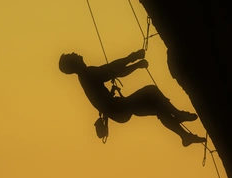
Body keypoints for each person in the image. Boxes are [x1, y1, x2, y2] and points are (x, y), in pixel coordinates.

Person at [59, 49, 206, 146]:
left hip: (119, 111)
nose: (76, 53)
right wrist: (135, 61)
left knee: (157, 107)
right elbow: (113, 70)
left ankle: (185, 136)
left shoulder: (85, 76)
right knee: (151, 91)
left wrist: (133, 59)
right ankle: (179, 115)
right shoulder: (87, 74)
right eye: (73, 56)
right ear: (73, 64)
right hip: (120, 108)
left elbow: (112, 69)